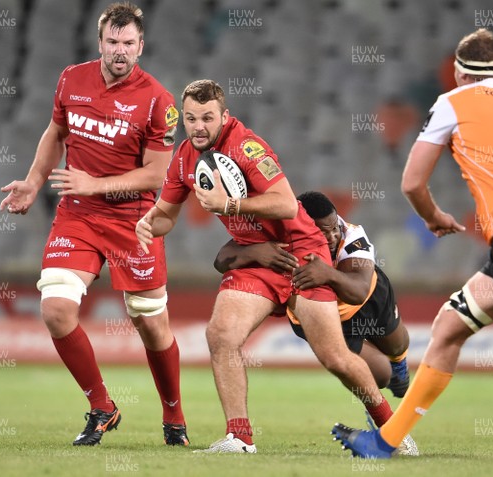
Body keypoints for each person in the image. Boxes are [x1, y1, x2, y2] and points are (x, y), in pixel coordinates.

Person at [136, 79, 398, 454]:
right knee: (221, 336)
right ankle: (240, 438)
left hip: (302, 252)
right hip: (257, 257)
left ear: (224, 116)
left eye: (207, 118)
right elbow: (165, 215)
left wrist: (230, 206)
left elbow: (287, 205)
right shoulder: (183, 157)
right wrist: (148, 223)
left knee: (335, 358)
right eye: (191, 118)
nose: (198, 127)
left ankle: (393, 428)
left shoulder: (247, 146)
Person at [332, 28, 493, 458]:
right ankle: (385, 442)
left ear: (458, 72)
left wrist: (434, 217)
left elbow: (413, 182)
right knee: (449, 328)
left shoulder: (453, 101)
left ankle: (383, 442)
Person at [0, 3, 188, 447]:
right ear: (99, 41)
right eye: (111, 41)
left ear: (141, 46)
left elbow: (157, 175)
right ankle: (102, 406)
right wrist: (32, 181)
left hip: (133, 222)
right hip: (78, 214)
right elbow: (55, 133)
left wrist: (96, 183)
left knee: (149, 322)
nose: (119, 51)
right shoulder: (71, 78)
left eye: (127, 43)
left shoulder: (159, 101)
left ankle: (174, 416)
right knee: (56, 309)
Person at [213, 191, 412, 398]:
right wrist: (253, 253)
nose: (334, 235)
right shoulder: (278, 234)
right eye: (324, 231)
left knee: (398, 345)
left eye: (334, 227)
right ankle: (378, 410)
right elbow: (221, 261)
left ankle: (399, 366)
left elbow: (359, 291)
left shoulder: (351, 236)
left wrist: (329, 275)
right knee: (379, 376)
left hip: (368, 299)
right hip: (325, 318)